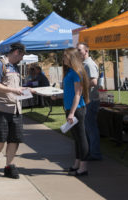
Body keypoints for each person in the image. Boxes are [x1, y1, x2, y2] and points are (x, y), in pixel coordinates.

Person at [0, 43, 30, 179]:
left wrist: (28, 90)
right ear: (17, 52)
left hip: (16, 109)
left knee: (14, 140)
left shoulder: (16, 67)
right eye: (22, 55)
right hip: (2, 108)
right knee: (0, 139)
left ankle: (9, 166)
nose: (22, 58)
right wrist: (13, 90)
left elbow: (15, 86)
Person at [53, 48, 90, 176]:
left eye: (65, 56)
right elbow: (69, 92)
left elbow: (78, 94)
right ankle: (77, 163)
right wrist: (57, 96)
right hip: (71, 109)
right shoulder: (69, 72)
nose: (63, 59)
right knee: (76, 138)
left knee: (81, 138)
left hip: (77, 110)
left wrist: (72, 113)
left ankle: (83, 167)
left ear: (71, 57)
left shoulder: (76, 72)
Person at [77, 42, 102, 161]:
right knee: (87, 127)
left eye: (79, 51)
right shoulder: (83, 64)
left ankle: (95, 154)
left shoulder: (89, 64)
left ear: (86, 51)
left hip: (91, 100)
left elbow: (94, 82)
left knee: (91, 128)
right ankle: (90, 151)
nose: (78, 53)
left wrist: (79, 86)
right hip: (86, 100)